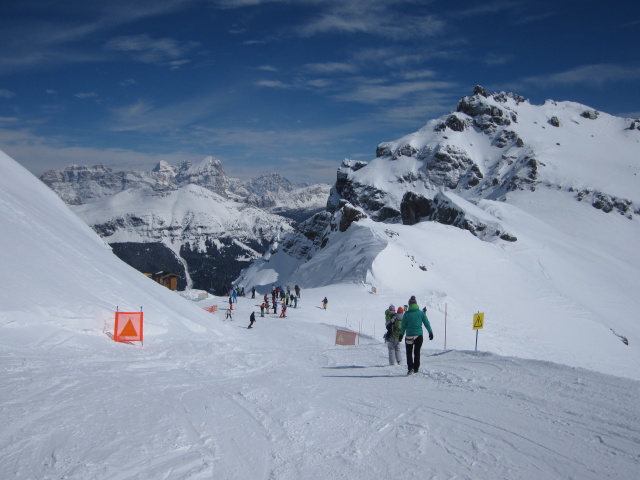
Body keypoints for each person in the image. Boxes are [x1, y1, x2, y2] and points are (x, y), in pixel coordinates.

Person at [401, 296, 433, 375]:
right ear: (416, 304)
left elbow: (403, 326)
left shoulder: (406, 314)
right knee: (417, 352)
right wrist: (430, 332)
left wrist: (401, 335)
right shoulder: (421, 313)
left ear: (409, 304)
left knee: (409, 352)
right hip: (419, 336)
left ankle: (410, 368)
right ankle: (416, 368)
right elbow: (426, 323)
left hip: (409, 336)